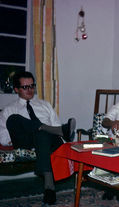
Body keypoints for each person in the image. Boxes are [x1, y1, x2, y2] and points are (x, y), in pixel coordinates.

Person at [0, 71, 76, 205]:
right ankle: (48, 129)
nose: (30, 90)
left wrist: (41, 131)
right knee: (14, 119)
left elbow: (55, 125)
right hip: (25, 142)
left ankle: (49, 187)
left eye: (32, 86)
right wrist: (21, 135)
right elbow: (3, 137)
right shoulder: (9, 109)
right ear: (16, 89)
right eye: (25, 87)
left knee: (42, 134)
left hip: (49, 141)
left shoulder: (45, 105)